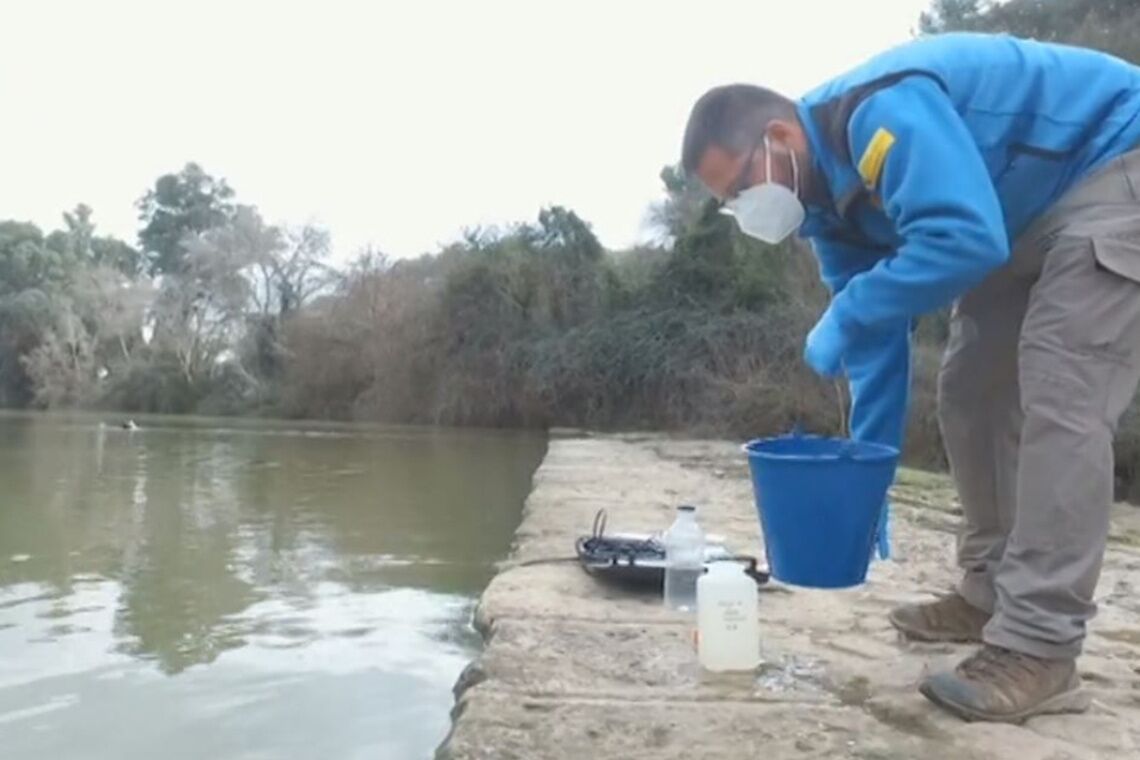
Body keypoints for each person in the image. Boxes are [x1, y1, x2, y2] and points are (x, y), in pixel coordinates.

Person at [681, 31, 1140, 723]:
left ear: (779, 136)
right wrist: (866, 475)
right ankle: (987, 592)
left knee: (1061, 385)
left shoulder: (877, 113)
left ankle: (1041, 645)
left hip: (1115, 160)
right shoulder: (830, 218)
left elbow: (964, 239)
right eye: (730, 204)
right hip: (1024, 209)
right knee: (969, 388)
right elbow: (875, 345)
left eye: (742, 187)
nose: (746, 212)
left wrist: (851, 309)